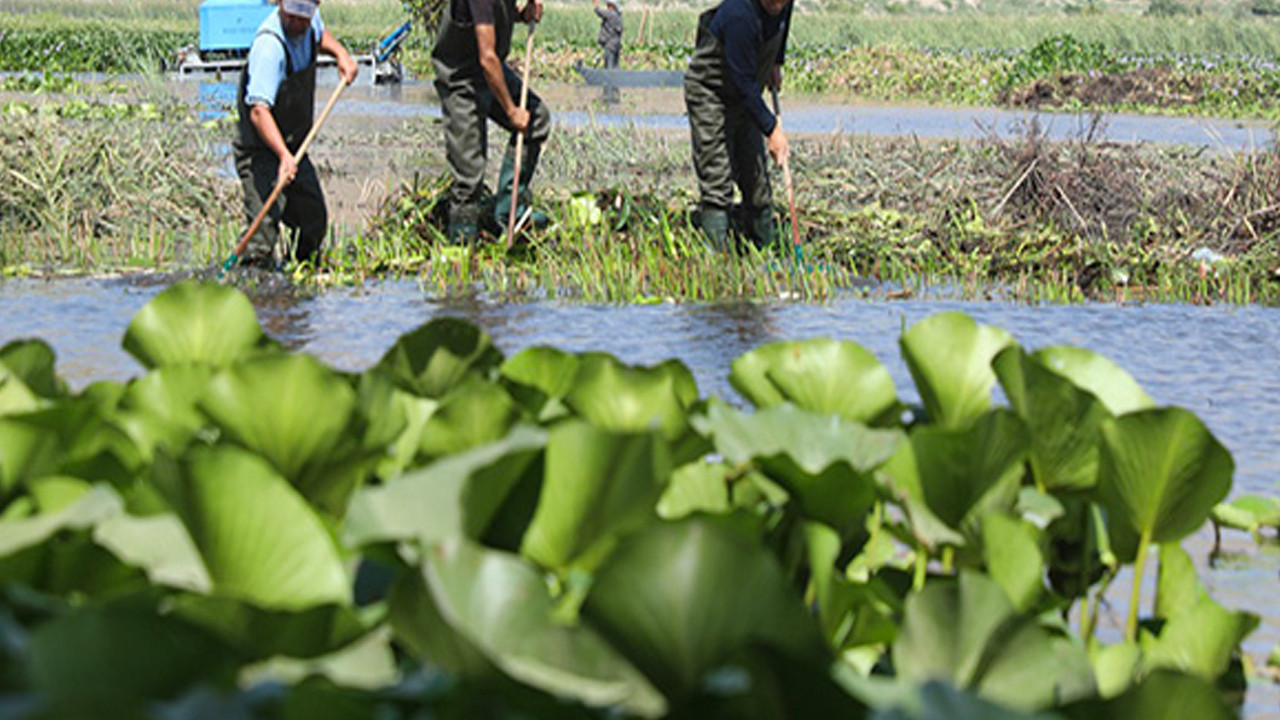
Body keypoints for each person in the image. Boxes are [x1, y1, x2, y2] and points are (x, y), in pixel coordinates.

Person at [234, 0, 357, 268]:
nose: (298, 22)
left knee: (313, 219)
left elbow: (319, 34)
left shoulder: (311, 22)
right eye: (292, 14)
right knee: (261, 238)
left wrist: (341, 54)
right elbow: (258, 111)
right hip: (260, 150)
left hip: (293, 147)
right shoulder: (269, 48)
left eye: (304, 16)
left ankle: (297, 280)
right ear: (280, 4)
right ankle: (251, 284)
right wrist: (283, 156)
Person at [433, 0, 550, 244]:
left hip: (490, 68)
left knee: (537, 118)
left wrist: (523, 13)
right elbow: (487, 57)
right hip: (461, 77)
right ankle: (462, 243)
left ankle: (509, 212)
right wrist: (511, 110)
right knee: (469, 176)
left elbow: (496, 16)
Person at [683, 0, 793, 252]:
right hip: (711, 92)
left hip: (745, 92)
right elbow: (743, 83)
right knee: (717, 177)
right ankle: (716, 258)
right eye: (772, 2)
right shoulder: (739, 14)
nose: (778, 7)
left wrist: (776, 61)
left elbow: (783, 22)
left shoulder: (784, 4)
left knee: (756, 177)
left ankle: (764, 250)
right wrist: (772, 130)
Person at [593, 0, 623, 69]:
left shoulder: (611, 14)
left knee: (609, 67)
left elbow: (599, 12)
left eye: (608, 5)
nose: (607, 7)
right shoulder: (618, 16)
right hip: (616, 45)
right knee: (615, 67)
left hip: (610, 45)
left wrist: (596, 4)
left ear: (612, 6)